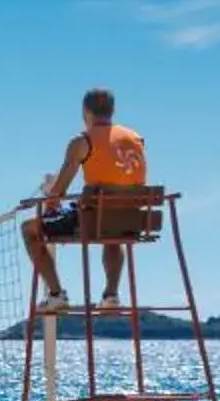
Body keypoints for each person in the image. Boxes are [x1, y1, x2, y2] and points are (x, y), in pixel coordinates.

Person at [23, 86, 149, 312]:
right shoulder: (136, 139)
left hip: (92, 219)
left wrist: (49, 201)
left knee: (30, 230)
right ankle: (111, 296)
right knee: (112, 232)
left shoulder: (82, 141)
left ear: (85, 112)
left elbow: (58, 191)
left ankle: (56, 294)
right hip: (131, 220)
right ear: (112, 111)